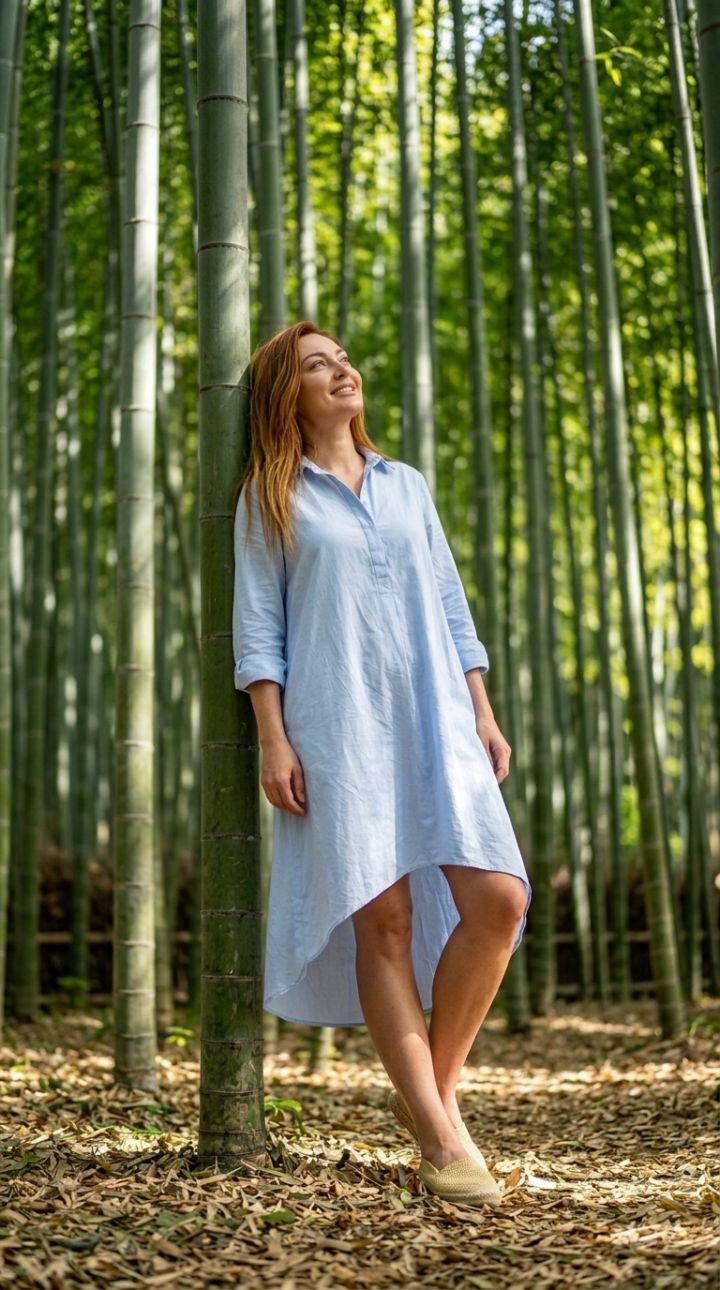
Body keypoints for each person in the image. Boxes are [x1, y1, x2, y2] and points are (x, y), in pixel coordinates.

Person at [232, 320, 532, 1207]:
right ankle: (443, 1140)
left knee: (500, 899)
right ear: (286, 396)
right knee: (387, 925)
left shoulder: (406, 484)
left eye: (342, 358)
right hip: (339, 727)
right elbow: (259, 628)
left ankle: (430, 1094)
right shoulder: (270, 496)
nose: (342, 371)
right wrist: (274, 737)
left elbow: (449, 603)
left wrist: (482, 712)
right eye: (315, 365)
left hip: (436, 717)